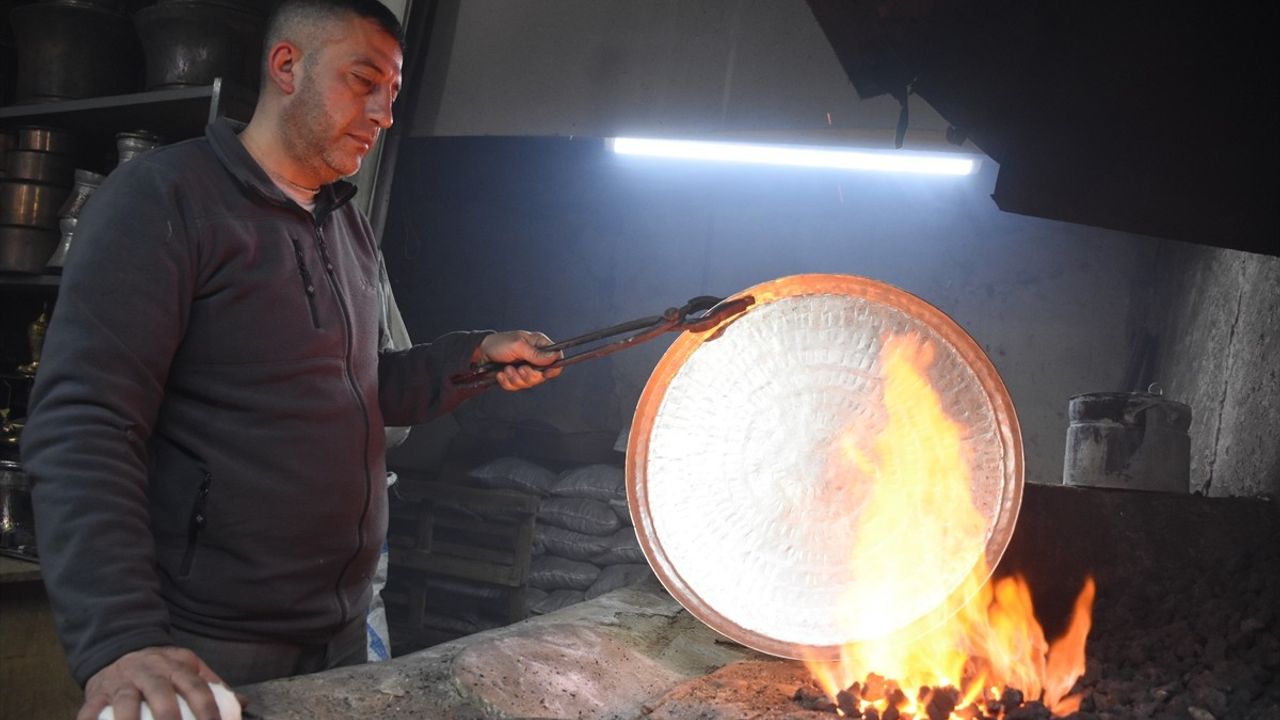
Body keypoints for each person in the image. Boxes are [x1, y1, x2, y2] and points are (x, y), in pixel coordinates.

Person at [19, 2, 561, 719]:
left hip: (335, 629)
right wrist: (120, 639)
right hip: (205, 637)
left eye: (393, 95)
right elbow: (84, 424)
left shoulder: (346, 227)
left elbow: (361, 387)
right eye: (364, 80)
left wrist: (474, 359)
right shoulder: (165, 201)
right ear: (286, 68)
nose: (383, 113)